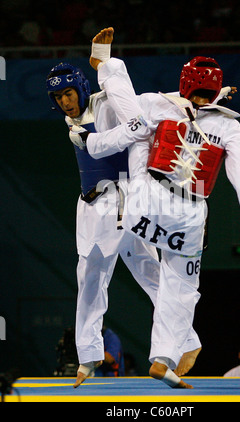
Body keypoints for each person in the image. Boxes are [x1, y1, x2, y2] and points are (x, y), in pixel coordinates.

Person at [70, 28, 240, 389]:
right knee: (181, 287)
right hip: (189, 217)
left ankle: (107, 63)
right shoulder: (229, 126)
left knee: (136, 123)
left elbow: (134, 124)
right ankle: (163, 357)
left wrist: (92, 142)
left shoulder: (160, 104)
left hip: (141, 202)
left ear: (184, 83)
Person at [46, 42, 163, 388]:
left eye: (69, 93)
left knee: (152, 274)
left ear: (81, 88)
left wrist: (103, 57)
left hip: (124, 199)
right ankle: (88, 355)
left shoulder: (104, 103)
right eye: (59, 98)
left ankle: (181, 344)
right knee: (91, 277)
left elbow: (138, 101)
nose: (65, 101)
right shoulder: (73, 125)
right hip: (93, 207)